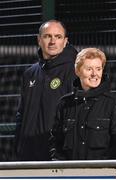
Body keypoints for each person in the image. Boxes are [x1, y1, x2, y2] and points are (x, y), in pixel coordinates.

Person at [49, 47, 116, 160]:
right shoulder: (64, 104)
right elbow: (55, 143)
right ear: (77, 71)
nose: (94, 74)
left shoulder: (114, 103)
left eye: (98, 69)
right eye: (89, 69)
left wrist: (103, 168)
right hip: (70, 174)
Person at [15, 19, 78, 160]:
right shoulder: (29, 73)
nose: (52, 41)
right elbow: (21, 114)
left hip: (57, 157)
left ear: (65, 41)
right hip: (28, 155)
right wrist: (19, 146)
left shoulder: (74, 70)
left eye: (58, 36)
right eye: (47, 36)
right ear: (39, 40)